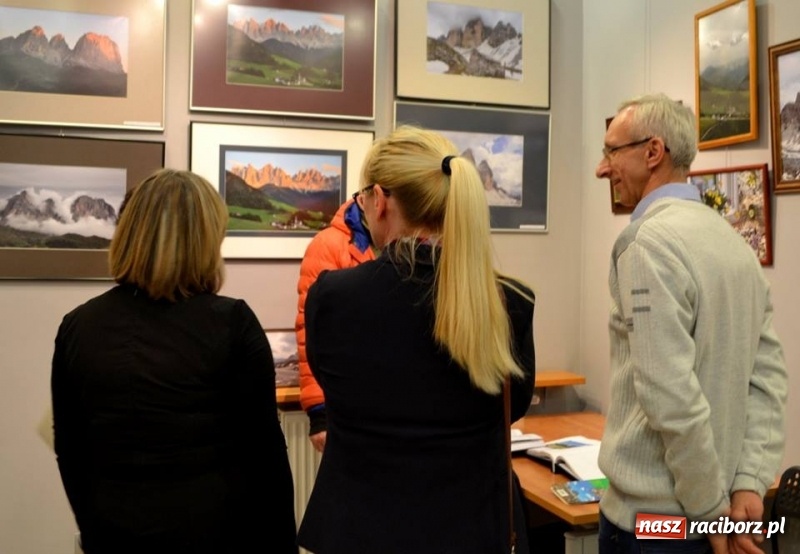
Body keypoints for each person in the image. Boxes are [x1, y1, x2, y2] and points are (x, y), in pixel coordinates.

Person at [296, 126, 536, 554]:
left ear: (380, 200)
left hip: (359, 532)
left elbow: (334, 385)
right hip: (474, 532)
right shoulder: (510, 302)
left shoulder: (333, 298)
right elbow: (511, 408)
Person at [51, 169, 298, 554]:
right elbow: (265, 459)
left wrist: (94, 526)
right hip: (214, 534)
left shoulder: (79, 326)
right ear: (204, 241)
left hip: (113, 532)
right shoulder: (231, 324)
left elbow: (70, 449)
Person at [595, 94, 788, 554]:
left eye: (610, 151)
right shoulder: (734, 244)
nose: (602, 169)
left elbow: (669, 395)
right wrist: (747, 484)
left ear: (652, 152)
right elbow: (768, 380)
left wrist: (707, 512)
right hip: (715, 515)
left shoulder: (644, 244)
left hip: (655, 526)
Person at [295, 198, 375, 453]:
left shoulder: (414, 239)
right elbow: (311, 329)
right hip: (346, 403)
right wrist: (318, 410)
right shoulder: (328, 245)